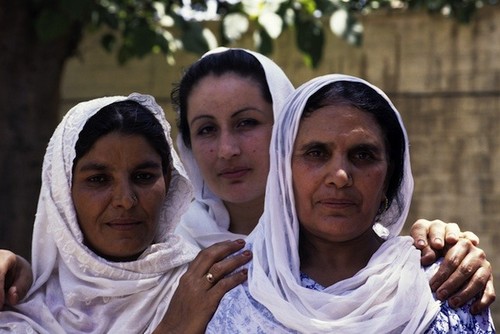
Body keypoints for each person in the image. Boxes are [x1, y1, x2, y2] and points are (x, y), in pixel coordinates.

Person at [171, 47, 494, 310]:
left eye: (246, 123)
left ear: (286, 130)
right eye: (206, 129)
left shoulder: (373, 255)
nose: (227, 149)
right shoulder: (165, 256)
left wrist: (445, 252)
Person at [0, 93, 250, 333]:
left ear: (168, 181)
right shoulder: (20, 308)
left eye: (143, 177)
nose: (126, 200)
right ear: (63, 193)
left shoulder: (206, 287)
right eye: (98, 179)